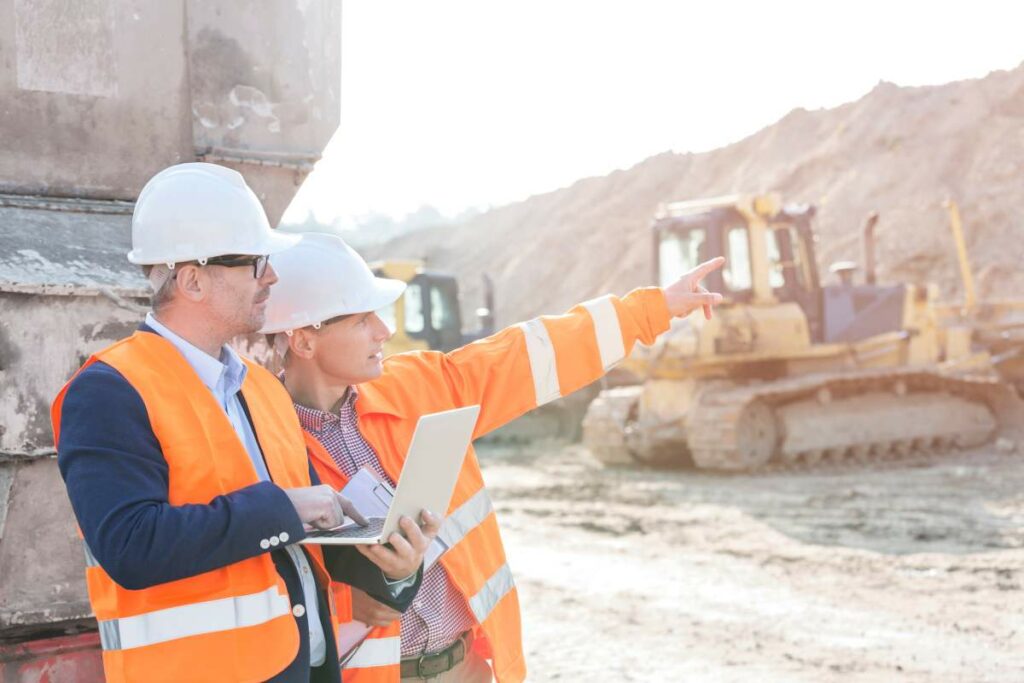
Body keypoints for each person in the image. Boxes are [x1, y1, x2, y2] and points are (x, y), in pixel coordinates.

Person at [260, 233, 724, 682]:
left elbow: (527, 355)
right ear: (303, 340)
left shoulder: (419, 386)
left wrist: (652, 309)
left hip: (467, 669)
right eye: (362, 320)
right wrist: (343, 603)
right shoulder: (261, 441)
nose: (385, 330)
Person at [52, 164, 438, 683]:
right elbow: (130, 545)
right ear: (192, 279)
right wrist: (285, 508)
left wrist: (393, 566)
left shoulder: (261, 388)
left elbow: (306, 537)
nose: (272, 278)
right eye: (257, 263)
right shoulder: (109, 391)